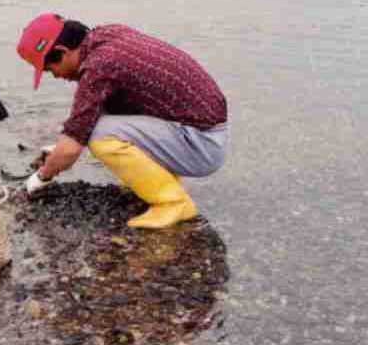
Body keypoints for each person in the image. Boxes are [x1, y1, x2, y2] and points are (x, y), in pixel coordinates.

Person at [17, 13, 229, 229]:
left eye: (50, 69)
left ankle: (173, 203)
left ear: (63, 52)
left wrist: (43, 176)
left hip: (202, 145)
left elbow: (73, 145)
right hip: (199, 130)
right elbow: (86, 118)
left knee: (99, 133)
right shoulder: (108, 35)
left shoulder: (99, 67)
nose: (55, 76)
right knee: (98, 120)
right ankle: (159, 183)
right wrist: (61, 149)